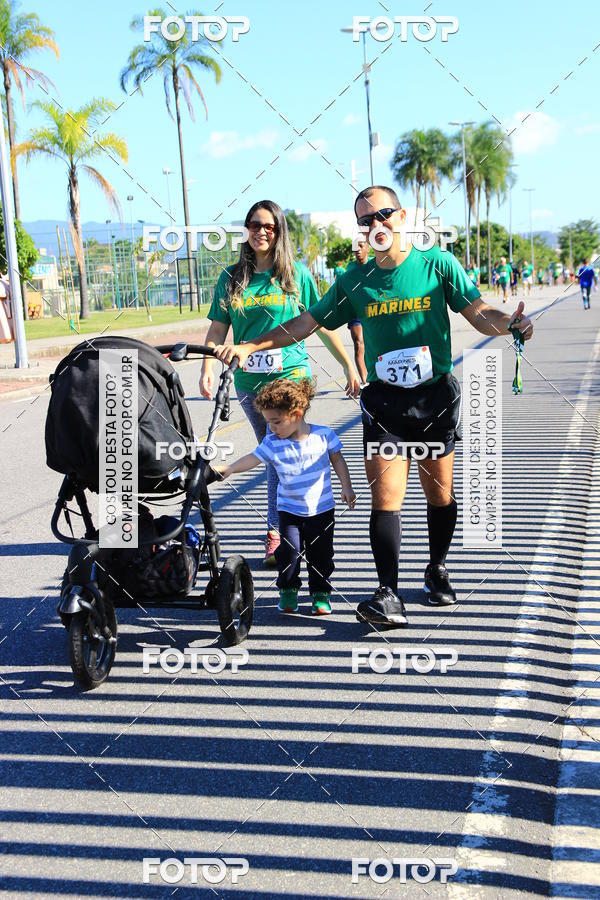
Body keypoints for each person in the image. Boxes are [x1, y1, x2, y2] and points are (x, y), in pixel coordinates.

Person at [213, 185, 533, 626]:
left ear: (402, 216)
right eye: (366, 219)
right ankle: (387, 594)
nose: (375, 224)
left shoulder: (437, 264)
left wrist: (510, 324)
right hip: (383, 402)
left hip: (433, 397)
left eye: (383, 214)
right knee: (385, 500)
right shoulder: (353, 279)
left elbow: (478, 312)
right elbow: (306, 322)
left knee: (440, 495)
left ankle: (437, 569)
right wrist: (251, 345)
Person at [200, 199, 359, 566]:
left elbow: (319, 322)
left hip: (291, 378)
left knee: (276, 449)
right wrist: (208, 365)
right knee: (273, 452)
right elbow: (218, 328)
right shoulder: (232, 278)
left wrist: (348, 364)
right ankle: (287, 529)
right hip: (250, 381)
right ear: (246, 230)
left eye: (269, 226)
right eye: (254, 225)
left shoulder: (297, 275)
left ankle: (278, 532)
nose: (261, 231)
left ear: (279, 231)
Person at [217, 378, 356, 615]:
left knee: (321, 554)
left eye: (276, 422)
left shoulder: (324, 436)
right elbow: (253, 458)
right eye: (269, 422)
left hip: (322, 509)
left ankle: (320, 593)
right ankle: (288, 590)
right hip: (289, 510)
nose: (271, 428)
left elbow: (338, 460)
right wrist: (229, 468)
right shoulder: (272, 442)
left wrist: (347, 486)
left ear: (297, 413)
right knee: (288, 552)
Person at [341, 240, 369, 384]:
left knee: (372, 344)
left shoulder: (375, 264)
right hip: (355, 310)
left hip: (373, 310)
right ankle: (365, 381)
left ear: (368, 248)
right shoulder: (350, 268)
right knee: (359, 342)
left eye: (360, 246)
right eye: (354, 248)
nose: (357, 250)